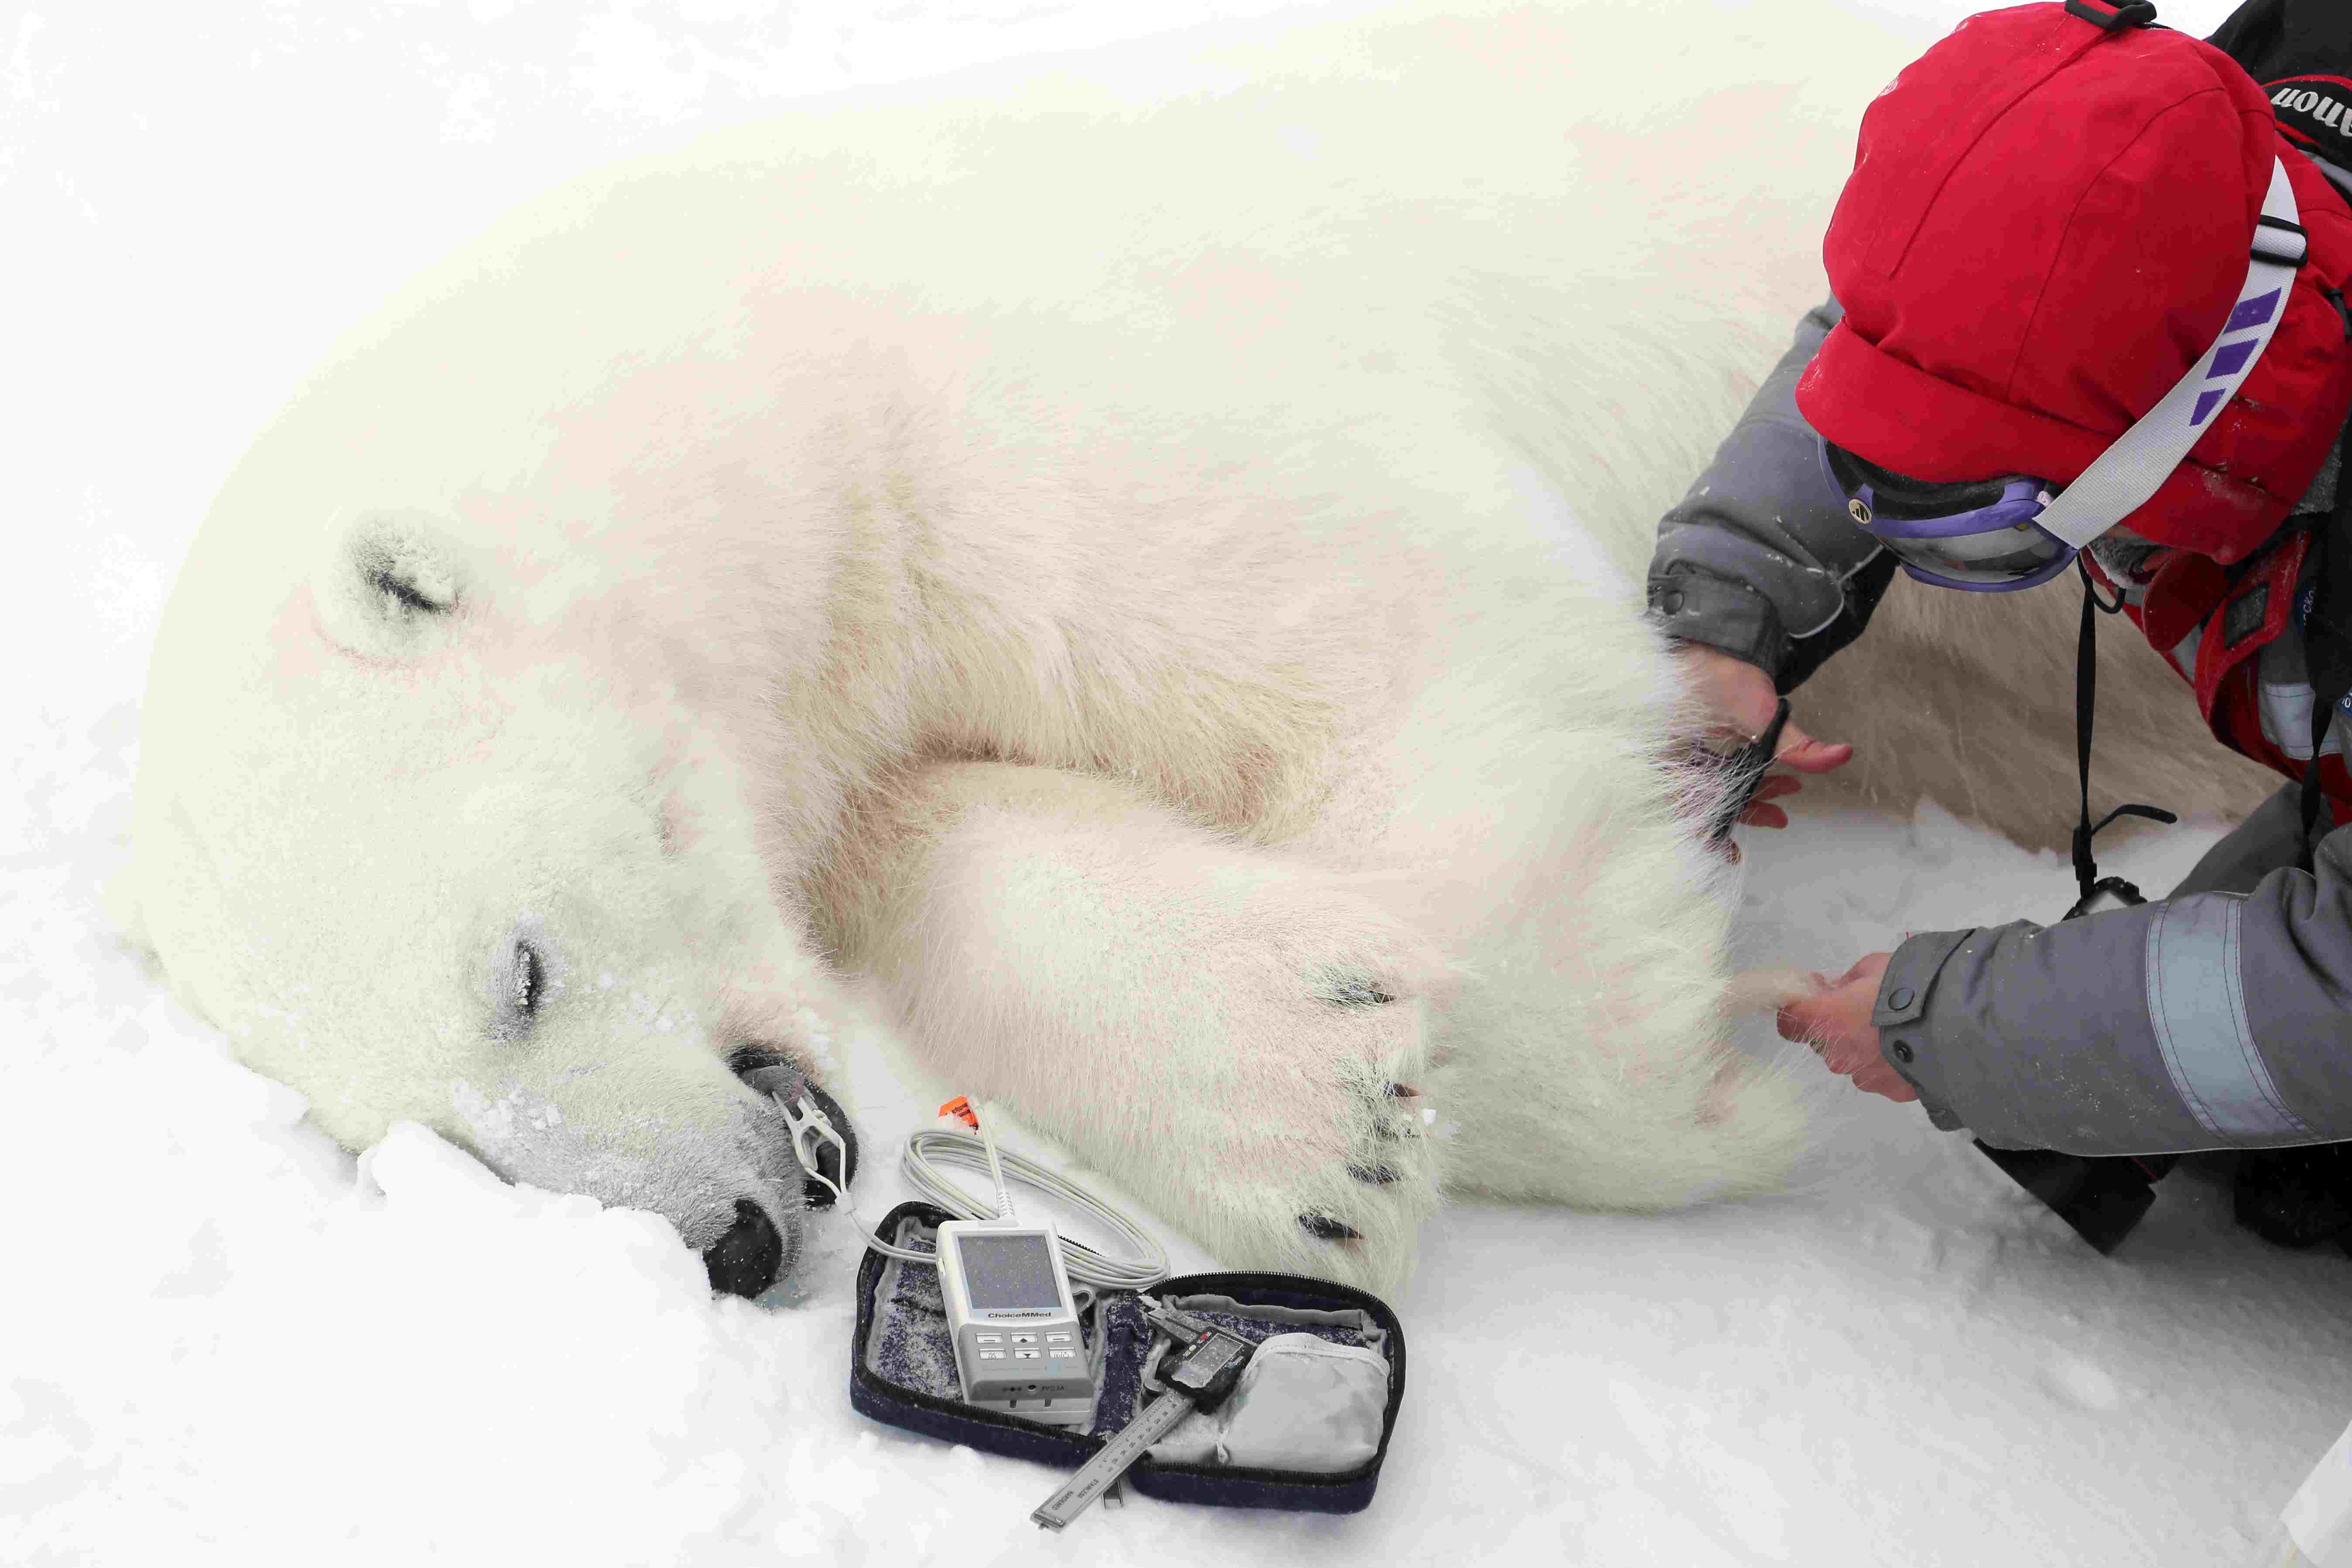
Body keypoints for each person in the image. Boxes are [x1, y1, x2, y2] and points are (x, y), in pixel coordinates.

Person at [1649, 0, 2352, 1251]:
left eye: (1982, 526)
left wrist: (1954, 1026)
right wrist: (1728, 618)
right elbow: (1957, 331)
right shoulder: (2205, 137)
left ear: (2184, 434)